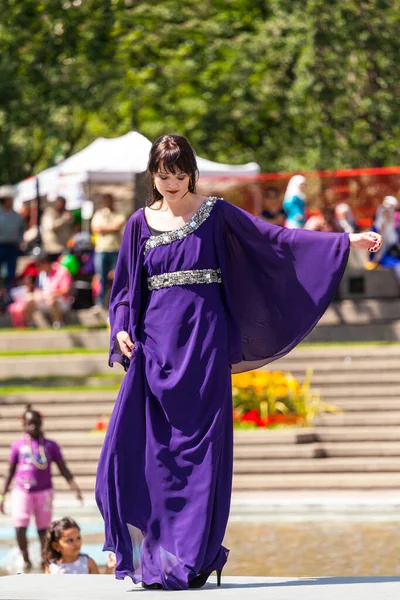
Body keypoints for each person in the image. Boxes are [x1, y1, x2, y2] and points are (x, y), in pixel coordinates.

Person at [95, 134, 382, 591]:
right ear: (152, 175)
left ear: (190, 172)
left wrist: (345, 240)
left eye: (177, 174)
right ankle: (154, 558)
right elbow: (126, 292)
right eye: (162, 174)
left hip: (204, 346)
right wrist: (122, 328)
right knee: (142, 453)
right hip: (154, 351)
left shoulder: (216, 214)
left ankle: (191, 558)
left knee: (201, 456)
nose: (170, 183)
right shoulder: (137, 224)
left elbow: (277, 241)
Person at [0, 405, 83, 572]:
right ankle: (26, 559)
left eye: (36, 423)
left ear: (41, 423)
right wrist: (2, 495)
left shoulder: (50, 446)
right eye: (29, 424)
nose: (33, 427)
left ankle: (45, 559)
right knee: (20, 525)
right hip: (22, 491)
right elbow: (10, 471)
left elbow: (62, 467)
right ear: (23, 425)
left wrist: (75, 488)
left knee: (43, 529)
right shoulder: (18, 445)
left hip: (44, 492)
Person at [44, 517, 116, 574]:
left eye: (78, 538)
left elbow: (100, 586)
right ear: (56, 546)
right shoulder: (52, 566)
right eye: (70, 540)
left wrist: (109, 569)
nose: (76, 543)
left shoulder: (88, 563)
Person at [91, 194, 126, 307]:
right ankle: (100, 303)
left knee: (118, 277)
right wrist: (111, 228)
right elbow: (95, 229)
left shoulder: (119, 214)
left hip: (115, 249)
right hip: (101, 250)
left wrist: (104, 229)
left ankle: (119, 300)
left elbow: (118, 226)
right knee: (102, 278)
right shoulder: (99, 214)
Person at [24, 251, 73, 328]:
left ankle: (59, 323)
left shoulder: (62, 271)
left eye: (38, 265)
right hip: (45, 300)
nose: (37, 267)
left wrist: (52, 294)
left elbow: (66, 290)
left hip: (61, 301)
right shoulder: (42, 274)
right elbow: (38, 289)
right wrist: (39, 294)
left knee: (52, 299)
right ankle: (31, 324)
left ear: (45, 263)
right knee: (30, 298)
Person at [0, 186, 24, 300]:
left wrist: (20, 241)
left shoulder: (17, 216)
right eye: (9, 199)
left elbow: (21, 231)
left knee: (11, 272)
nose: (11, 201)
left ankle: (9, 295)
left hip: (12, 247)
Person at [41, 197, 74, 262]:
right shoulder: (49, 213)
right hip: (52, 248)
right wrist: (63, 219)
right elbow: (51, 226)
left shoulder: (63, 213)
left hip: (63, 247)